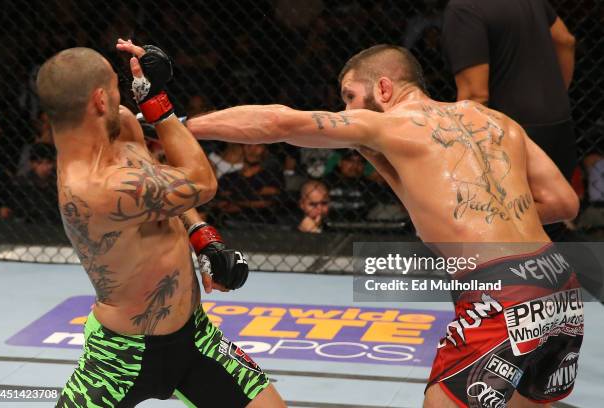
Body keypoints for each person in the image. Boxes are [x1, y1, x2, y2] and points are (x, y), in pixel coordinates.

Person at [187, 44, 583, 408]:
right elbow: (564, 203)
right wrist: (484, 215)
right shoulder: (498, 122)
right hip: (557, 278)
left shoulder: (395, 124)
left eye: (349, 97)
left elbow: (279, 123)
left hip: (498, 289)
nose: (345, 111)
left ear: (383, 87)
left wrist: (179, 126)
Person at [36, 41, 284, 407]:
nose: (125, 97)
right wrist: (157, 102)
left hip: (196, 336)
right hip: (119, 358)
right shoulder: (93, 187)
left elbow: (164, 185)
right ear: (99, 101)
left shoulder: (118, 126)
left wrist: (203, 238)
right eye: (116, 88)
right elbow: (200, 183)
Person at [441, 0, 577, 242]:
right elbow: (565, 40)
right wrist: (555, 94)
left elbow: (475, 95)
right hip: (557, 123)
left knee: (493, 223)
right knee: (549, 226)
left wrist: (463, 155)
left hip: (507, 134)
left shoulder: (464, 8)